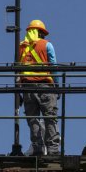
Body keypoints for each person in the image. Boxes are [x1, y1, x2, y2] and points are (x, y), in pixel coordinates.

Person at [17, 19, 61, 156]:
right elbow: (53, 66)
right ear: (41, 33)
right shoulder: (47, 45)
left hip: (27, 88)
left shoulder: (21, 47)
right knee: (50, 117)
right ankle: (53, 149)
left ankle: (38, 148)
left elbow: (17, 69)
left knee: (33, 119)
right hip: (45, 86)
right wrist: (57, 85)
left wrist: (19, 91)